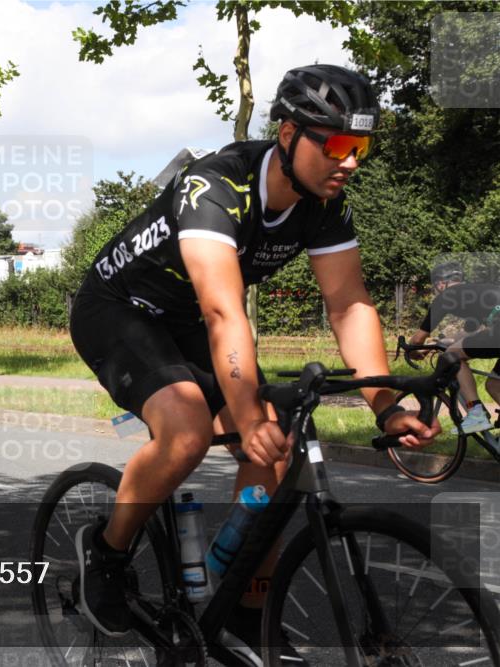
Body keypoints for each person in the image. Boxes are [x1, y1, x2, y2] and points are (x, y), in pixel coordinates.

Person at [68, 64, 441, 660]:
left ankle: (243, 605)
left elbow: (348, 305)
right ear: (289, 134)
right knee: (189, 429)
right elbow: (224, 311)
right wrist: (246, 414)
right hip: (121, 309)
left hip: (189, 320)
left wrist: (386, 403)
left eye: (361, 147)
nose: (350, 162)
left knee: (279, 442)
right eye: (338, 145)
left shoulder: (324, 205)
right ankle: (107, 556)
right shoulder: (215, 186)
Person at [408, 262, 500, 433]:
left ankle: (476, 415)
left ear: (441, 283)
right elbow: (469, 335)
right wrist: (435, 344)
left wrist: (413, 350)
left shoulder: (446, 297)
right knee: (494, 384)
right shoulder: (476, 294)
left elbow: (419, 337)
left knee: (452, 357)